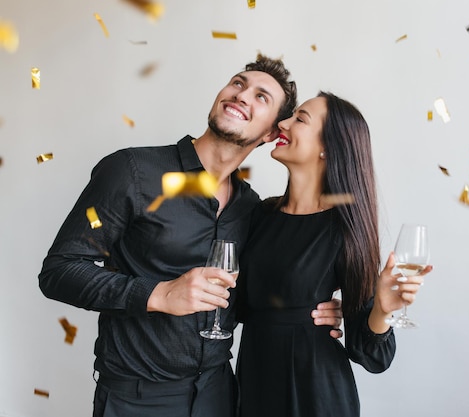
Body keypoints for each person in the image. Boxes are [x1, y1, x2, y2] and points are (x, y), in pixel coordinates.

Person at [38, 55, 343, 417]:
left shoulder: (252, 209)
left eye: (262, 97)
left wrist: (310, 310)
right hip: (136, 399)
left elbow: (244, 300)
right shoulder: (132, 171)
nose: (242, 95)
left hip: (219, 395)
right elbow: (58, 271)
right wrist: (158, 294)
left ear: (271, 134)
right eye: (238, 83)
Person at [235, 92, 434, 416]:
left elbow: (371, 357)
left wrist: (382, 310)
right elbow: (238, 306)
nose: (282, 122)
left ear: (329, 146)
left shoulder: (345, 228)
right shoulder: (260, 214)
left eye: (299, 119)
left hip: (314, 393)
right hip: (254, 384)